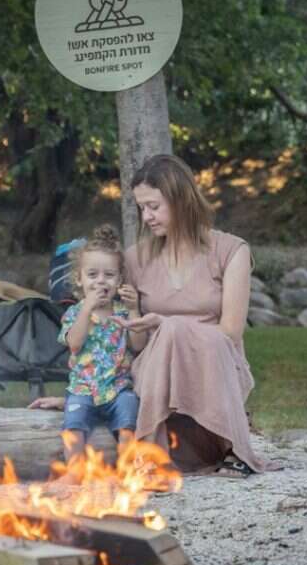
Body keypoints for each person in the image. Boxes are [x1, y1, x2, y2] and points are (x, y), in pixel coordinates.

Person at [31, 154, 275, 478]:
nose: (146, 217)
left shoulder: (232, 251)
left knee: (174, 332)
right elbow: (107, 331)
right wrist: (85, 392)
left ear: (181, 199)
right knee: (166, 336)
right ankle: (151, 454)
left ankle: (226, 447)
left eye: (153, 206)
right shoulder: (135, 259)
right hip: (155, 373)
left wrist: (167, 324)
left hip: (215, 367)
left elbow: (230, 332)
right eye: (141, 208)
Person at [53, 224, 140, 473]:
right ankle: (74, 471)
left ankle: (127, 471)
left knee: (128, 422)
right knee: (73, 427)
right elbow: (74, 343)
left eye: (109, 275)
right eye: (92, 275)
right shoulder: (74, 313)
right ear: (79, 279)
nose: (100, 281)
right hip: (82, 390)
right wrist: (87, 309)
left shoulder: (122, 313)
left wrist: (134, 310)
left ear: (119, 280)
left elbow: (138, 345)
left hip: (118, 389)